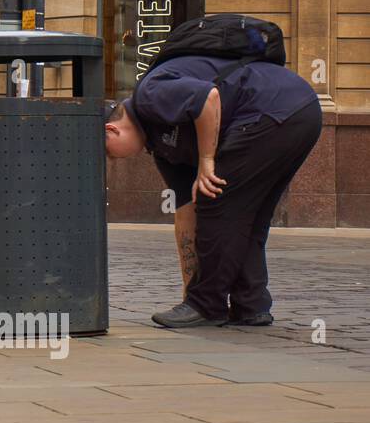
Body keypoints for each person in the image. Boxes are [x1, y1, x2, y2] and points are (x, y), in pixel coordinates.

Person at [105, 54, 321, 329]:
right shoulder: (162, 150)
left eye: (108, 153)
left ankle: (206, 305)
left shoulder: (148, 95)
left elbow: (208, 97)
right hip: (299, 111)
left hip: (272, 108)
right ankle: (250, 305)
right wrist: (187, 290)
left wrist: (206, 161)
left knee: (214, 197)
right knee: (248, 217)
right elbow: (186, 211)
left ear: (111, 129)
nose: (113, 160)